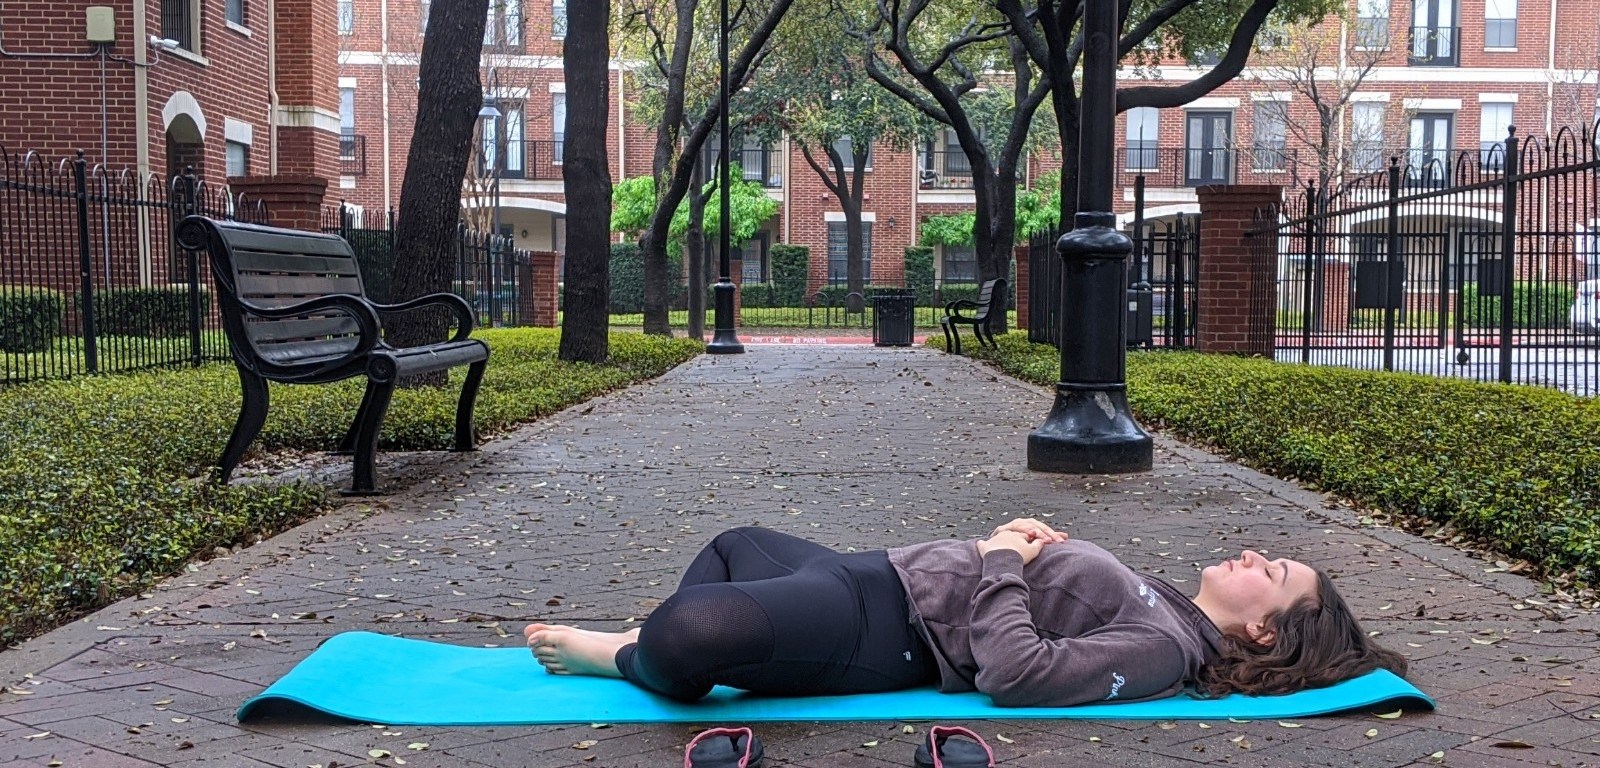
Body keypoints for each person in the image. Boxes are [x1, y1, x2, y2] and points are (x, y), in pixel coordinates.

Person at [524, 519, 1407, 707]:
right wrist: (1027, 553)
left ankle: (633, 657)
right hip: (875, 570)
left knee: (692, 633)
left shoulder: (1167, 650)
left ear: (1265, 631)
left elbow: (1017, 675)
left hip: (891, 633)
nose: (1254, 555)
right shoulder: (1163, 599)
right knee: (732, 544)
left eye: (1274, 571)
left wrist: (1000, 558)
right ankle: (659, 646)